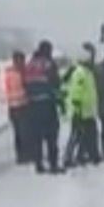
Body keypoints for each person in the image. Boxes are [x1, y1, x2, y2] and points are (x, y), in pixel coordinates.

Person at [23, 40, 63, 174]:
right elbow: (56, 83)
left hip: (32, 105)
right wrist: (59, 100)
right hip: (47, 104)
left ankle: (39, 164)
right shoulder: (48, 64)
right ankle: (53, 164)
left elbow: (25, 84)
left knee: (37, 137)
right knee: (51, 135)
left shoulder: (29, 65)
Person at [65, 56, 101, 167]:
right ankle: (68, 157)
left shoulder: (88, 73)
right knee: (76, 135)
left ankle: (89, 155)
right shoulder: (80, 73)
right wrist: (77, 109)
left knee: (90, 134)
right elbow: (76, 91)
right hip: (81, 111)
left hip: (88, 111)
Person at [1, 51, 30, 164]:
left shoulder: (10, 73)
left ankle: (23, 155)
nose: (21, 62)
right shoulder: (19, 73)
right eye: (19, 60)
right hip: (19, 106)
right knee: (20, 132)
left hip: (17, 106)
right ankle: (22, 155)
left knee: (22, 132)